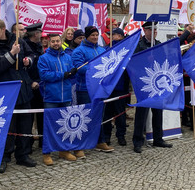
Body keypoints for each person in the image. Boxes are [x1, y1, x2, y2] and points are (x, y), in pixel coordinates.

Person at [0, 19, 36, 173]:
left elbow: (32, 54)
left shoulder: (17, 39)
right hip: (5, 91)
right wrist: (12, 54)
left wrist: (28, 61)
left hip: (23, 89)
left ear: (3, 29)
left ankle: (23, 154)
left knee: (25, 124)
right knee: (7, 127)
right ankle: (4, 157)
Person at [72, 25, 114, 153]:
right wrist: (97, 69)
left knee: (99, 116)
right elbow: (79, 68)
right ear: (87, 37)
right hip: (84, 88)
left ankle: (100, 141)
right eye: (92, 35)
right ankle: (81, 144)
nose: (95, 37)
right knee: (85, 116)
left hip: (99, 88)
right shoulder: (79, 51)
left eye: (96, 35)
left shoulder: (102, 50)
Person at [132, 22, 173, 153]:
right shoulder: (139, 45)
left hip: (157, 83)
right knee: (141, 114)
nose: (154, 32)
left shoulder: (159, 44)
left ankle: (158, 138)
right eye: (151, 30)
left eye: (155, 30)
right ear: (145, 30)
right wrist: (146, 60)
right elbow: (134, 64)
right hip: (144, 85)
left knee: (158, 112)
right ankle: (137, 141)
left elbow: (164, 61)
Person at [38, 33, 78, 165]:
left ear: (61, 42)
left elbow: (71, 74)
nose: (56, 43)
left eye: (58, 41)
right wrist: (63, 75)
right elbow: (44, 75)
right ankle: (47, 153)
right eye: (53, 41)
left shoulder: (67, 57)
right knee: (49, 126)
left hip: (65, 96)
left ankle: (64, 150)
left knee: (65, 125)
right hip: (51, 97)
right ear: (49, 43)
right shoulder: (44, 58)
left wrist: (73, 72)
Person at [102, 28, 130, 145]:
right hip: (109, 86)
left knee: (120, 112)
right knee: (108, 112)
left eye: (113, 35)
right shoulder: (107, 48)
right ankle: (108, 135)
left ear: (119, 36)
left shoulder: (125, 49)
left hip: (120, 85)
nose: (111, 37)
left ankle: (120, 135)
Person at [23, 23, 44, 149]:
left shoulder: (39, 46)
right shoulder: (25, 46)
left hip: (40, 85)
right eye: (40, 33)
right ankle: (28, 144)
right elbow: (23, 68)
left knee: (41, 114)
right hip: (29, 86)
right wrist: (31, 82)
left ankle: (42, 141)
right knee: (29, 117)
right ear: (36, 34)